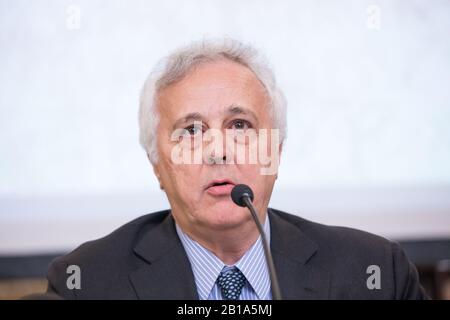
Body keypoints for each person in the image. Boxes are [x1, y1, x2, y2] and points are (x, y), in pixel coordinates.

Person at [47, 38, 428, 300]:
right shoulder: (87, 282)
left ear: (276, 152)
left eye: (240, 126)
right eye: (191, 131)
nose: (218, 152)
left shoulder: (375, 273)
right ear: (156, 165)